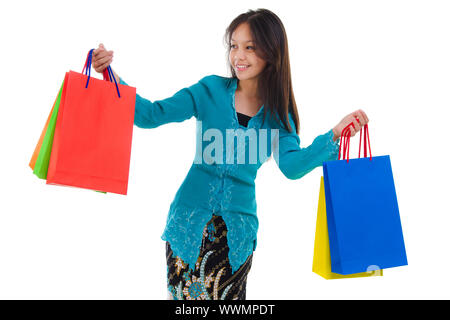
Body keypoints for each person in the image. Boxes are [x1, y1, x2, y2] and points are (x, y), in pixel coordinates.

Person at [91, 8, 369, 300]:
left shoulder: (278, 116)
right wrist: (109, 75)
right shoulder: (209, 90)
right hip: (188, 227)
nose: (238, 55)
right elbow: (151, 114)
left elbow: (292, 166)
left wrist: (335, 134)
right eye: (234, 46)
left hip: (235, 237)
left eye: (250, 47)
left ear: (272, 54)